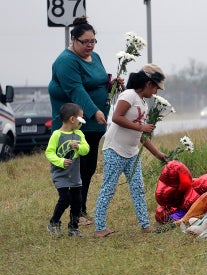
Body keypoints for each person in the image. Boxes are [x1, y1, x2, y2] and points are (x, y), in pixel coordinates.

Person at [48, 16, 122, 226]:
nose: (90, 45)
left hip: (94, 124)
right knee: (74, 170)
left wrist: (111, 84)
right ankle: (74, 213)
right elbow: (76, 89)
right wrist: (94, 111)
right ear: (73, 39)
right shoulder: (66, 61)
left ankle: (81, 209)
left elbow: (96, 81)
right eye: (85, 42)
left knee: (88, 168)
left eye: (93, 41)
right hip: (74, 123)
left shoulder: (95, 57)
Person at [93, 64, 167, 238]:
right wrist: (142, 127)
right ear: (149, 83)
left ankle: (145, 225)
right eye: (156, 87)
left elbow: (140, 134)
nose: (156, 92)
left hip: (132, 152)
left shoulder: (143, 103)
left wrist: (157, 153)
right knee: (108, 188)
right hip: (115, 149)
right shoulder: (129, 95)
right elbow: (116, 118)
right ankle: (99, 228)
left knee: (138, 188)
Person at [45, 103, 90, 238]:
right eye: (80, 118)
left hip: (75, 175)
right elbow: (50, 153)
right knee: (65, 199)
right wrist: (60, 161)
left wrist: (78, 147)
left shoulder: (79, 134)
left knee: (77, 201)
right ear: (72, 119)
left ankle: (73, 228)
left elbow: (86, 149)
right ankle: (53, 222)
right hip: (60, 174)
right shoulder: (56, 135)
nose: (82, 121)